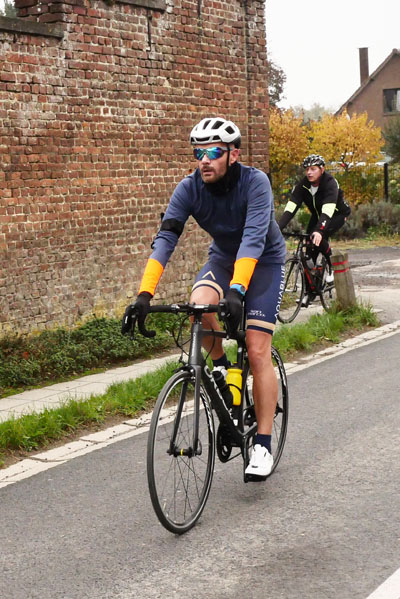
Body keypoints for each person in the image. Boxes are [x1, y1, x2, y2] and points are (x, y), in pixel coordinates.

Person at [121, 117, 286, 478]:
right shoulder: (189, 188)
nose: (205, 160)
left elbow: (253, 239)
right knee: (199, 305)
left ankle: (262, 444)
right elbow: (166, 237)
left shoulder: (255, 183)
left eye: (213, 152)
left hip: (264, 262)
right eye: (199, 153)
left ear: (233, 154)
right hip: (223, 260)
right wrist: (144, 294)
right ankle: (223, 367)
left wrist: (237, 291)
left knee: (257, 348)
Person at [278, 154, 351, 306]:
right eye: (307, 169)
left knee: (318, 236)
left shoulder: (330, 183)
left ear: (322, 170)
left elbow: (328, 210)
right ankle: (309, 291)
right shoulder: (304, 185)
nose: (309, 172)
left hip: (336, 214)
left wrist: (319, 231)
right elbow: (291, 207)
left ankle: (331, 265)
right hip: (318, 215)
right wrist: (278, 228)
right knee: (307, 253)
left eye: (313, 169)